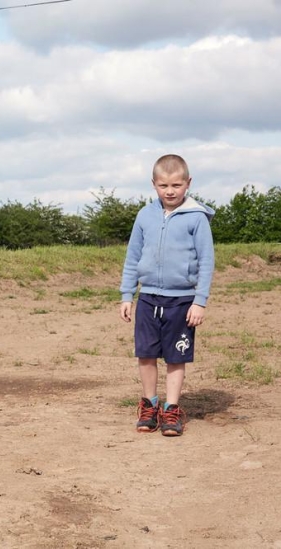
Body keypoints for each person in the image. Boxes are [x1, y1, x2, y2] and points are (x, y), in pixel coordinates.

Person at [119, 154, 214, 437]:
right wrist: (127, 294)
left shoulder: (196, 218)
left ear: (188, 183)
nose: (170, 191)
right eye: (163, 186)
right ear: (154, 184)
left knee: (176, 357)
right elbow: (132, 256)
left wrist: (200, 301)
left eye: (176, 185)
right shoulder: (145, 215)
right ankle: (150, 405)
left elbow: (207, 261)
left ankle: (171, 409)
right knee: (146, 355)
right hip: (148, 298)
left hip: (182, 301)